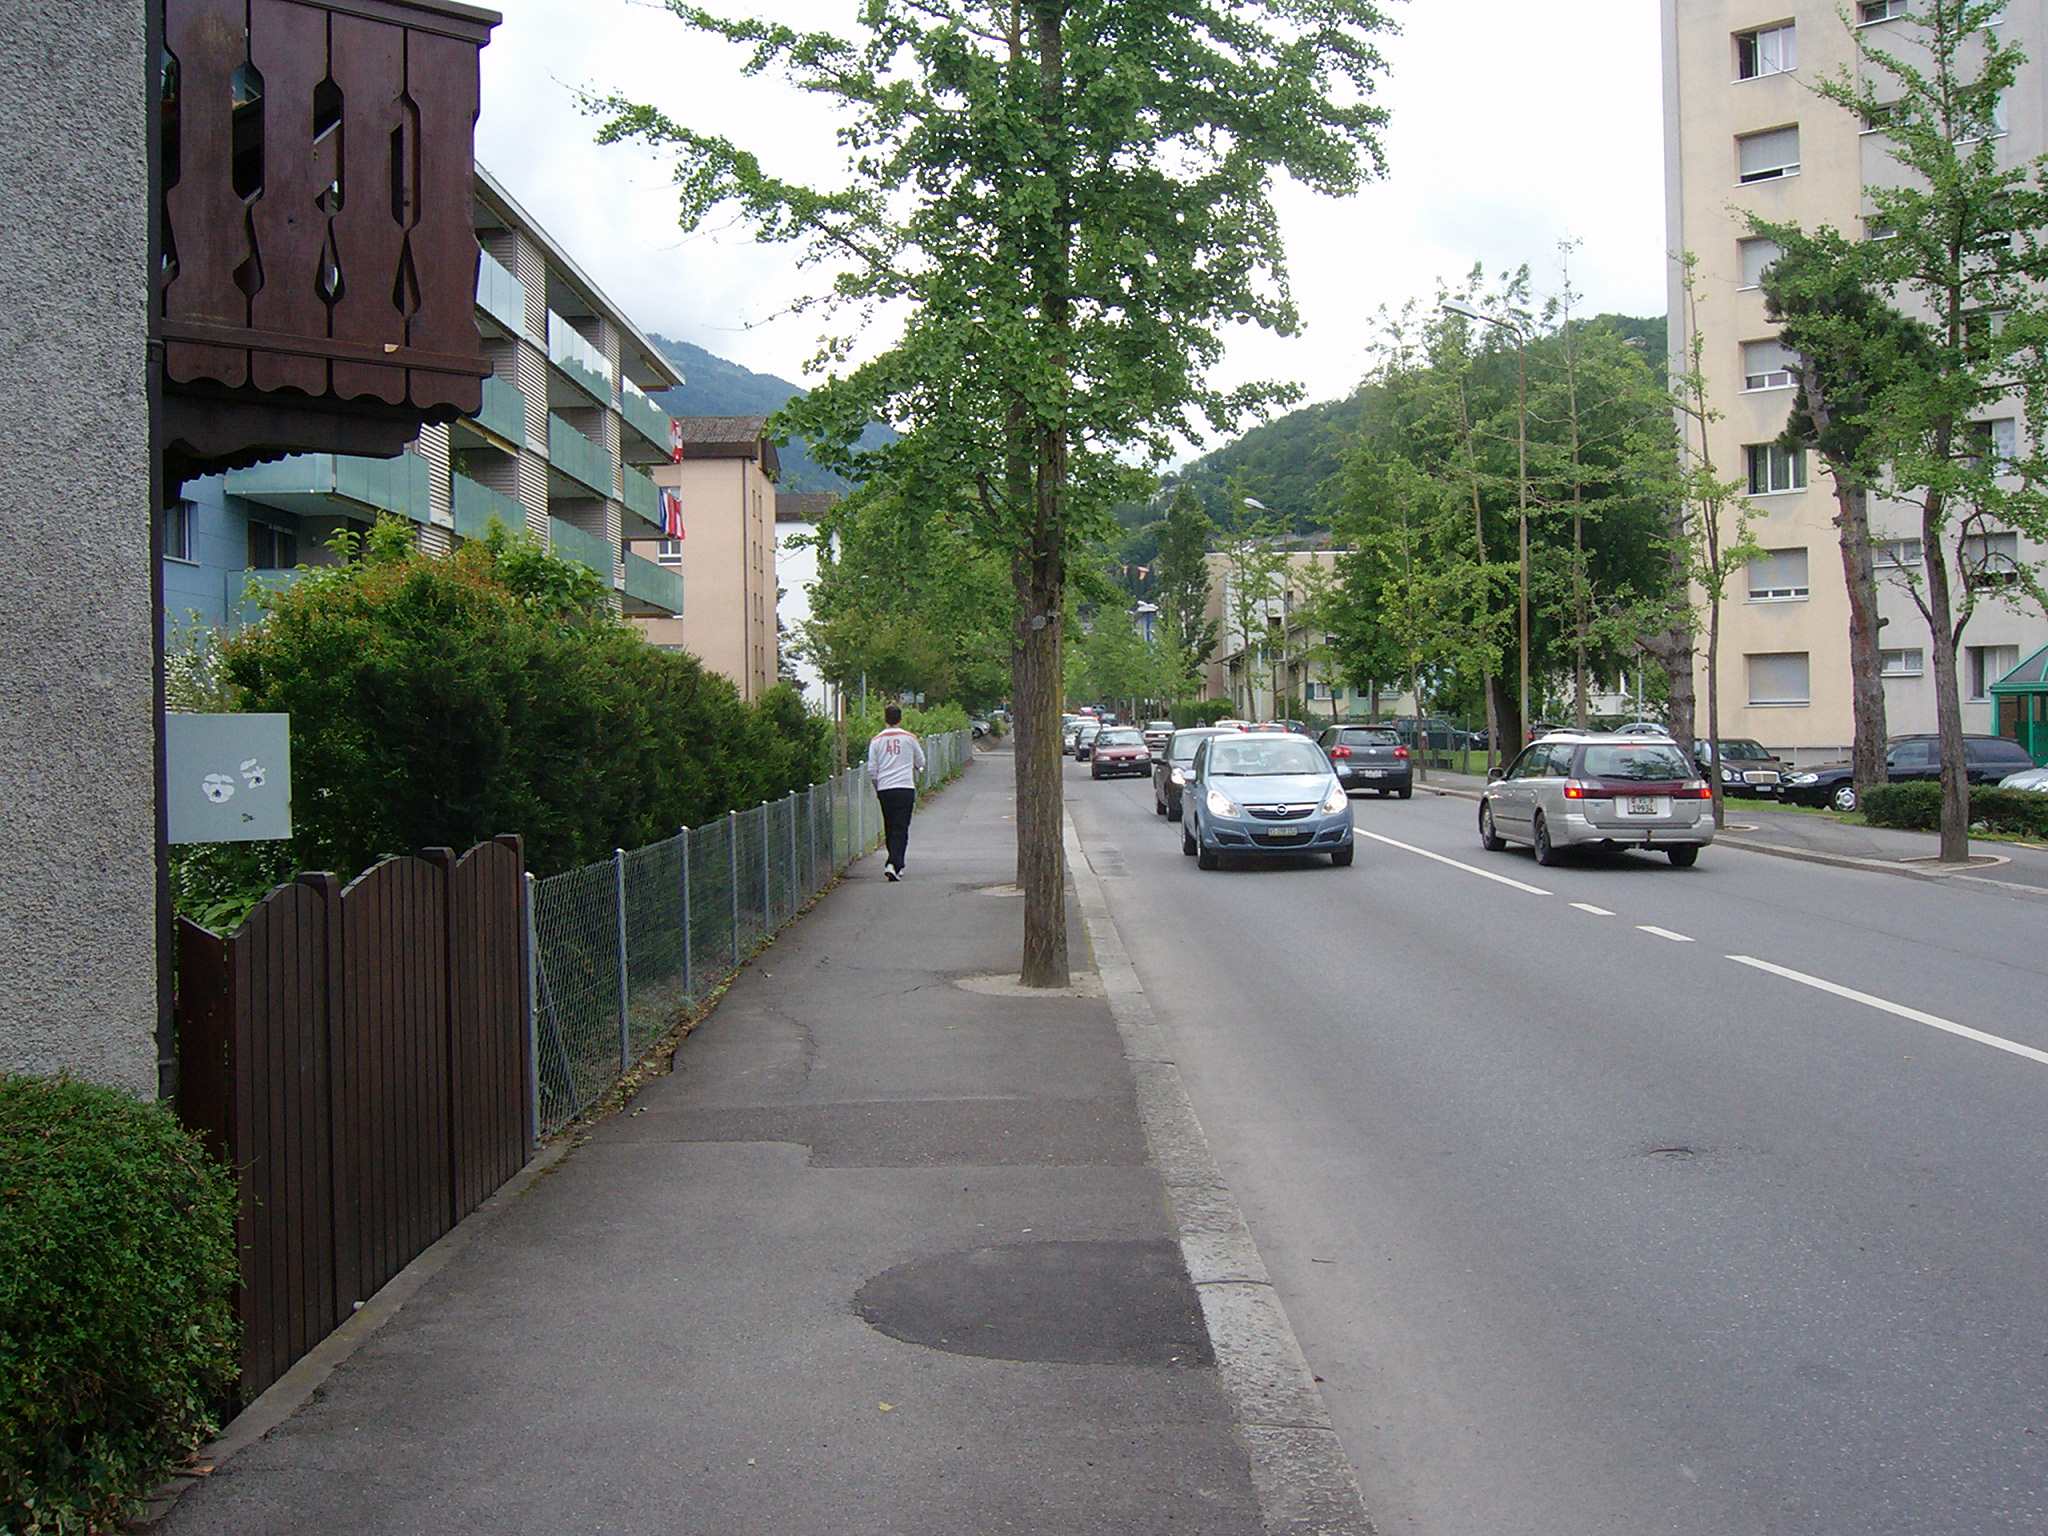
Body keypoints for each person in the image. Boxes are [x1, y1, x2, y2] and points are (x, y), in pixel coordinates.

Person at [866, 705, 926, 881]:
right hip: (905, 787)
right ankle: (894, 863)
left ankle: (896, 862)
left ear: (885, 719)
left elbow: (872, 769)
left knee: (890, 825)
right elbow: (921, 761)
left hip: (885, 788)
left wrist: (877, 786)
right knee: (901, 826)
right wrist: (915, 766)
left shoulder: (876, 740)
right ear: (900, 719)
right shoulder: (910, 738)